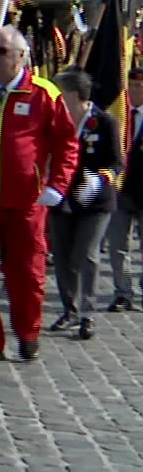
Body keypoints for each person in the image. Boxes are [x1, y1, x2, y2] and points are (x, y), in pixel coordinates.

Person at [0, 26, 78, 362]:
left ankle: (28, 333)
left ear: (21, 57)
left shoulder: (43, 94)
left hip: (26, 203)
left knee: (27, 275)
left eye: (2, 51)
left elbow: (67, 144)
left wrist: (57, 185)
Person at [49, 69, 118, 340]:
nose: (56, 99)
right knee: (64, 257)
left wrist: (101, 179)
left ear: (75, 96)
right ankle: (70, 308)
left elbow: (116, 161)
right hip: (62, 199)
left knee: (87, 254)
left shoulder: (104, 122)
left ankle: (88, 313)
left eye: (60, 93)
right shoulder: (55, 120)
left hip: (95, 201)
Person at [108, 65, 143, 312]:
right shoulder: (116, 116)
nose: (134, 90)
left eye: (139, 86)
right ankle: (123, 292)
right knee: (117, 245)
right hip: (119, 190)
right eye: (131, 85)